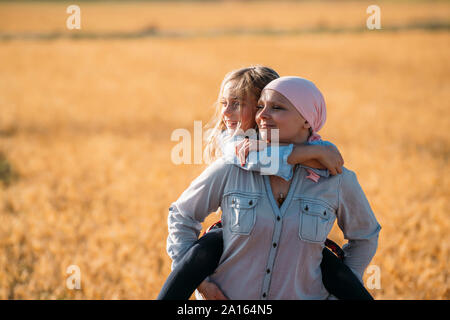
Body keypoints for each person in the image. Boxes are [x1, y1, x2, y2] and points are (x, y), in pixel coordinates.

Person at [160, 72, 380, 300]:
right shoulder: (235, 164)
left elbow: (365, 236)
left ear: (307, 119)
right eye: (260, 106)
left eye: (276, 107)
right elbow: (181, 215)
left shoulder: (336, 179)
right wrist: (202, 283)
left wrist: (339, 290)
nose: (261, 115)